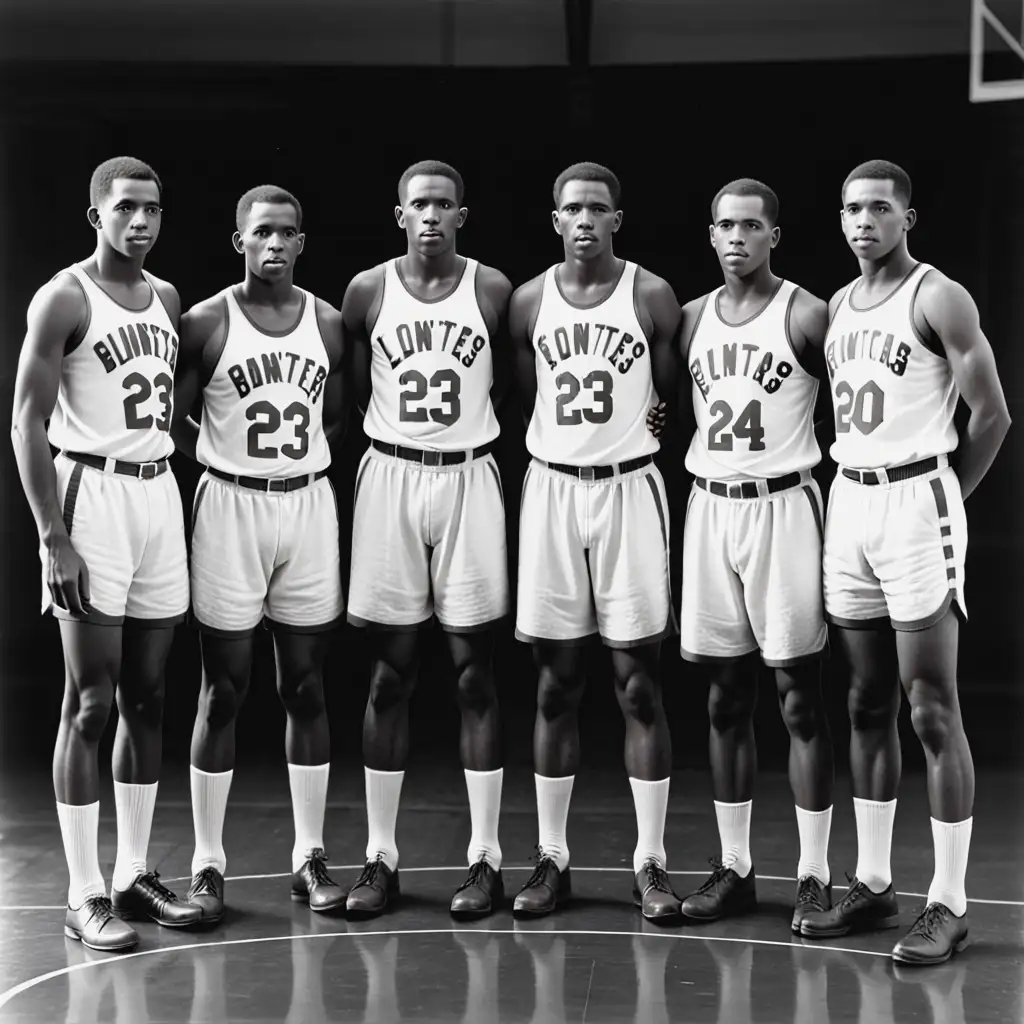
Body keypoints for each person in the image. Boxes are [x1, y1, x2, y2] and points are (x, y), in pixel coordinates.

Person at [799, 159, 1011, 965]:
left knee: (930, 707)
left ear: (907, 218)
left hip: (918, 501)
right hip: (849, 500)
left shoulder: (937, 295)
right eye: (852, 208)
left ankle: (950, 902)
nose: (863, 221)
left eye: (879, 208)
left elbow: (992, 413)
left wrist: (945, 493)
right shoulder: (839, 304)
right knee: (863, 701)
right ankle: (876, 882)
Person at [10, 156, 201, 951]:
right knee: (89, 702)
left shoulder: (167, 298)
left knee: (147, 699)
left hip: (157, 493)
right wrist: (53, 537)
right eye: (126, 209)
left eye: (153, 209)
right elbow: (25, 420)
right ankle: (83, 893)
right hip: (90, 496)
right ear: (97, 215)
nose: (142, 222)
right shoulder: (64, 296)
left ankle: (132, 873)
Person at [510, 161, 683, 921]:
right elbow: (523, 393)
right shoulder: (525, 301)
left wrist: (652, 426)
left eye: (598, 209)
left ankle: (651, 862)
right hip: (552, 487)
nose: (584, 219)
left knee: (638, 681)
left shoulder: (649, 294)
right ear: (555, 220)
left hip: (629, 489)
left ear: (618, 218)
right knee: (556, 683)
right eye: (572, 208)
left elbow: (677, 395)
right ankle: (552, 858)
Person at [340, 160, 512, 919]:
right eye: (419, 204)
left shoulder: (495, 290)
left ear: (462, 215)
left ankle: (485, 858)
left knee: (476, 672)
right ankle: (381, 856)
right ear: (400, 215)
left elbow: (522, 383)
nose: (432, 215)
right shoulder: (368, 290)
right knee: (388, 673)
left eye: (445, 203)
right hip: (391, 478)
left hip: (470, 476)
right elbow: (344, 393)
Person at [170, 185, 347, 922]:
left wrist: (292, 469)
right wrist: (219, 458)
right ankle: (207, 864)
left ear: (302, 243)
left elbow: (337, 415)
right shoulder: (205, 321)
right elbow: (167, 416)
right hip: (230, 505)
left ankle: (309, 855)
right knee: (224, 689)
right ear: (239, 238)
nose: (274, 244)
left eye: (287, 234)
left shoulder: (331, 324)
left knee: (305, 686)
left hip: (305, 504)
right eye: (261, 232)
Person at [676, 179, 835, 934]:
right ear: (710, 236)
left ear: (775, 235)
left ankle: (812, 875)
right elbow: (662, 401)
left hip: (784, 507)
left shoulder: (806, 313)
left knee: (798, 697)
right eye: (724, 226)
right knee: (724, 698)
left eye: (751, 225)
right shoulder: (686, 320)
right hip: (711, 506)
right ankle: (734, 867)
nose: (736, 237)